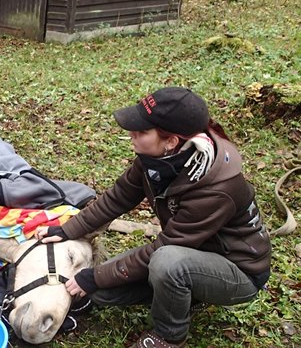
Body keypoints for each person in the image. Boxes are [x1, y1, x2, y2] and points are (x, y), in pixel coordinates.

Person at [36, 87, 271, 347]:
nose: (132, 135)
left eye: (142, 131)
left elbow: (167, 247)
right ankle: (184, 292)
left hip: (237, 271)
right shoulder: (159, 158)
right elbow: (117, 198)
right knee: (101, 292)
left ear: (171, 141)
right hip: (191, 251)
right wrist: (68, 230)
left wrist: (94, 276)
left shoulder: (216, 188)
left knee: (166, 263)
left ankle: (169, 336)